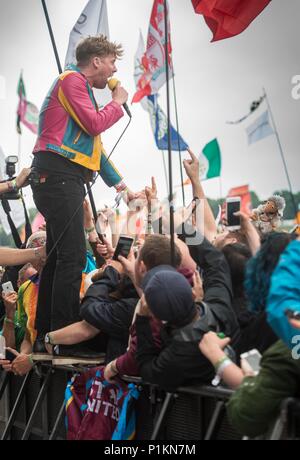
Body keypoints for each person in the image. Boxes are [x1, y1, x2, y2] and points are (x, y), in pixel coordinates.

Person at [30, 35, 137, 356]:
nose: (115, 69)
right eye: (112, 62)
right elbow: (94, 125)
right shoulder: (71, 81)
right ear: (97, 61)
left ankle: (46, 334)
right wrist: (116, 102)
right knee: (73, 257)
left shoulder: (82, 89)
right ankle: (60, 337)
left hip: (63, 177)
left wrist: (122, 187)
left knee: (60, 256)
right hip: (58, 176)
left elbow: (95, 147)